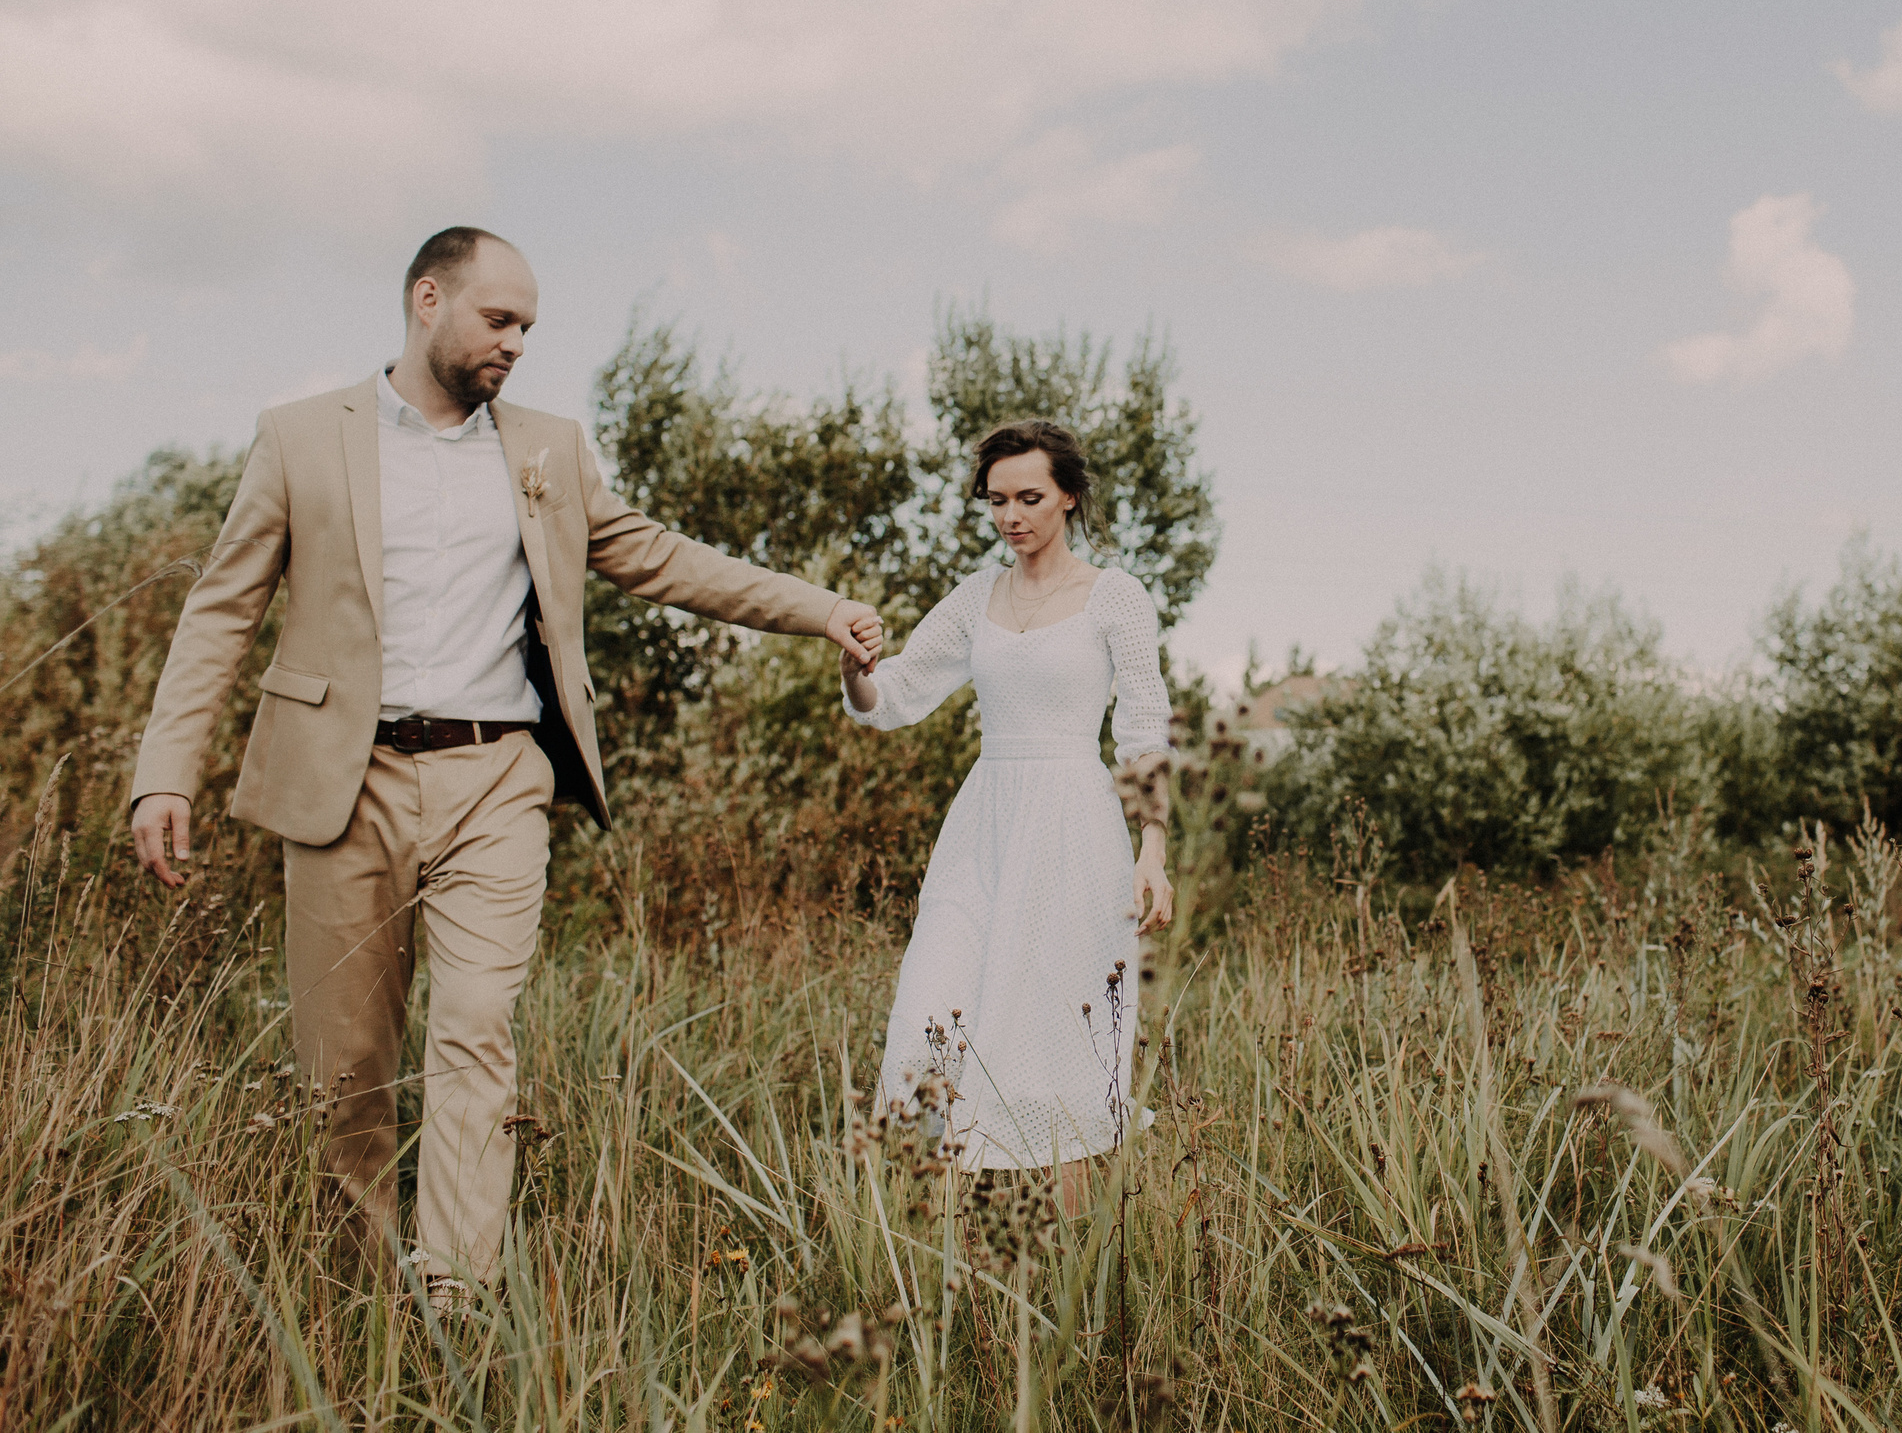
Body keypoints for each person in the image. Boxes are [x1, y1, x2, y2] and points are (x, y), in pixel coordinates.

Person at [127, 226, 885, 1303]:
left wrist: (821, 612)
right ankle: (358, 1302)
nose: (517, 343)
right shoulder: (300, 437)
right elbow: (221, 608)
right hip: (346, 788)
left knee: (476, 1033)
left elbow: (662, 559)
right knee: (344, 1075)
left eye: (529, 326)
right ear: (427, 301)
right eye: (499, 318)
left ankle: (454, 1299)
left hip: (498, 780)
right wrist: (167, 769)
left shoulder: (548, 448)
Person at [841, 419, 1172, 1209]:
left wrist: (1153, 848)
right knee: (933, 1008)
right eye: (996, 500)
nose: (1011, 516)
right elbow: (893, 698)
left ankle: (1075, 1258)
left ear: (1068, 495)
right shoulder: (974, 597)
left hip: (1074, 827)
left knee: (1054, 1031)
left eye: (1029, 497)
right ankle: (958, 1243)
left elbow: (1144, 731)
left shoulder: (1114, 598)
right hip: (984, 824)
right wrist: (855, 670)